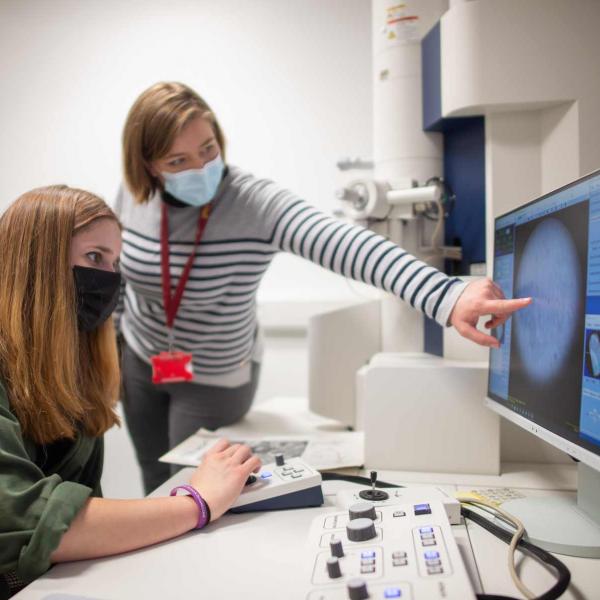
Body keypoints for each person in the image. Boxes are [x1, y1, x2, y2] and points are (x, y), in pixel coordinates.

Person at [115, 81, 531, 494]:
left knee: (185, 490)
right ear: (149, 166)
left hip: (213, 376)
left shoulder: (251, 202)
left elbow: (346, 245)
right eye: (178, 161)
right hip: (138, 357)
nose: (201, 168)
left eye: (208, 149)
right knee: (151, 478)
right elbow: (119, 271)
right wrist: (105, 350)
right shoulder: (133, 197)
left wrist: (446, 295)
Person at [0, 186, 261, 599]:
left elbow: (81, 516)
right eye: (93, 257)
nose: (109, 276)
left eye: (114, 261)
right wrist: (198, 501)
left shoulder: (72, 368)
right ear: (37, 262)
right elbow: (25, 520)